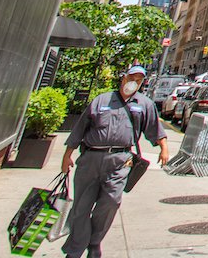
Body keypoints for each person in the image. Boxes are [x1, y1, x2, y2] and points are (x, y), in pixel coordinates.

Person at [60, 64, 169, 258]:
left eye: (139, 80)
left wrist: (164, 148)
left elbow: (154, 129)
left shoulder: (144, 104)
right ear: (124, 78)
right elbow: (81, 127)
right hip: (91, 158)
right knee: (81, 206)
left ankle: (94, 242)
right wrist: (67, 155)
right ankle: (76, 249)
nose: (134, 82)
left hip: (120, 160)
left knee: (111, 202)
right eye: (132, 78)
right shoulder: (102, 100)